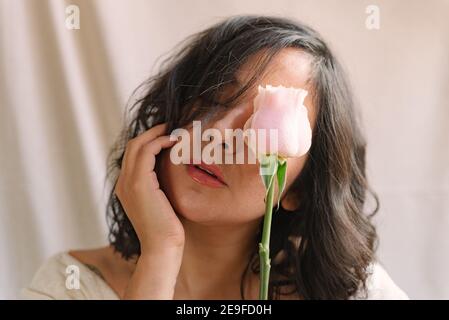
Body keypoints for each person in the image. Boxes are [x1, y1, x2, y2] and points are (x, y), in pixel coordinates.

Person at [22, 15, 408, 300]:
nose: (217, 135)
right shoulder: (68, 286)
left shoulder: (357, 292)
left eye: (261, 125)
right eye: (211, 101)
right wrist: (160, 255)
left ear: (298, 190)